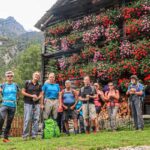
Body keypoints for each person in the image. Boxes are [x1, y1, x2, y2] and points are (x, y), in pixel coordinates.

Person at [22, 72, 42, 140]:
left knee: (36, 119)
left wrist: (38, 98)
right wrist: (31, 96)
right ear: (32, 76)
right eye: (36, 75)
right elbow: (23, 92)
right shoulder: (27, 83)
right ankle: (25, 135)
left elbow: (41, 94)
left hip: (36, 104)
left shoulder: (39, 85)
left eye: (38, 76)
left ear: (39, 78)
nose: (37, 76)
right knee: (27, 119)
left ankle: (34, 135)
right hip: (28, 103)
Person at [0, 71, 19, 142]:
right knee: (1, 119)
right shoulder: (3, 85)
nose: (9, 77)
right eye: (8, 76)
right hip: (4, 104)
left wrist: (16, 99)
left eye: (11, 76)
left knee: (9, 122)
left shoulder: (15, 85)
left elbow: (18, 93)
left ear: (12, 77)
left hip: (13, 105)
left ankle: (5, 138)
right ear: (6, 77)